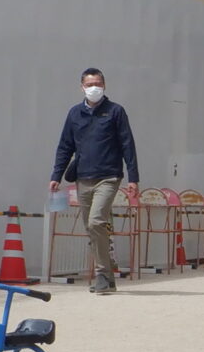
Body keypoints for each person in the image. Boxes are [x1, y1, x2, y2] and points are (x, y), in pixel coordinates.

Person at [48, 68, 138, 294]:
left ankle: (101, 275)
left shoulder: (115, 111)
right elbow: (65, 146)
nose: (94, 88)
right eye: (89, 84)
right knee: (90, 228)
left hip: (109, 177)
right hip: (83, 177)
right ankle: (107, 278)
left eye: (97, 83)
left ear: (104, 85)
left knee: (97, 222)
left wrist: (133, 178)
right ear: (82, 87)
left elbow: (128, 144)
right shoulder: (74, 113)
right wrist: (56, 176)